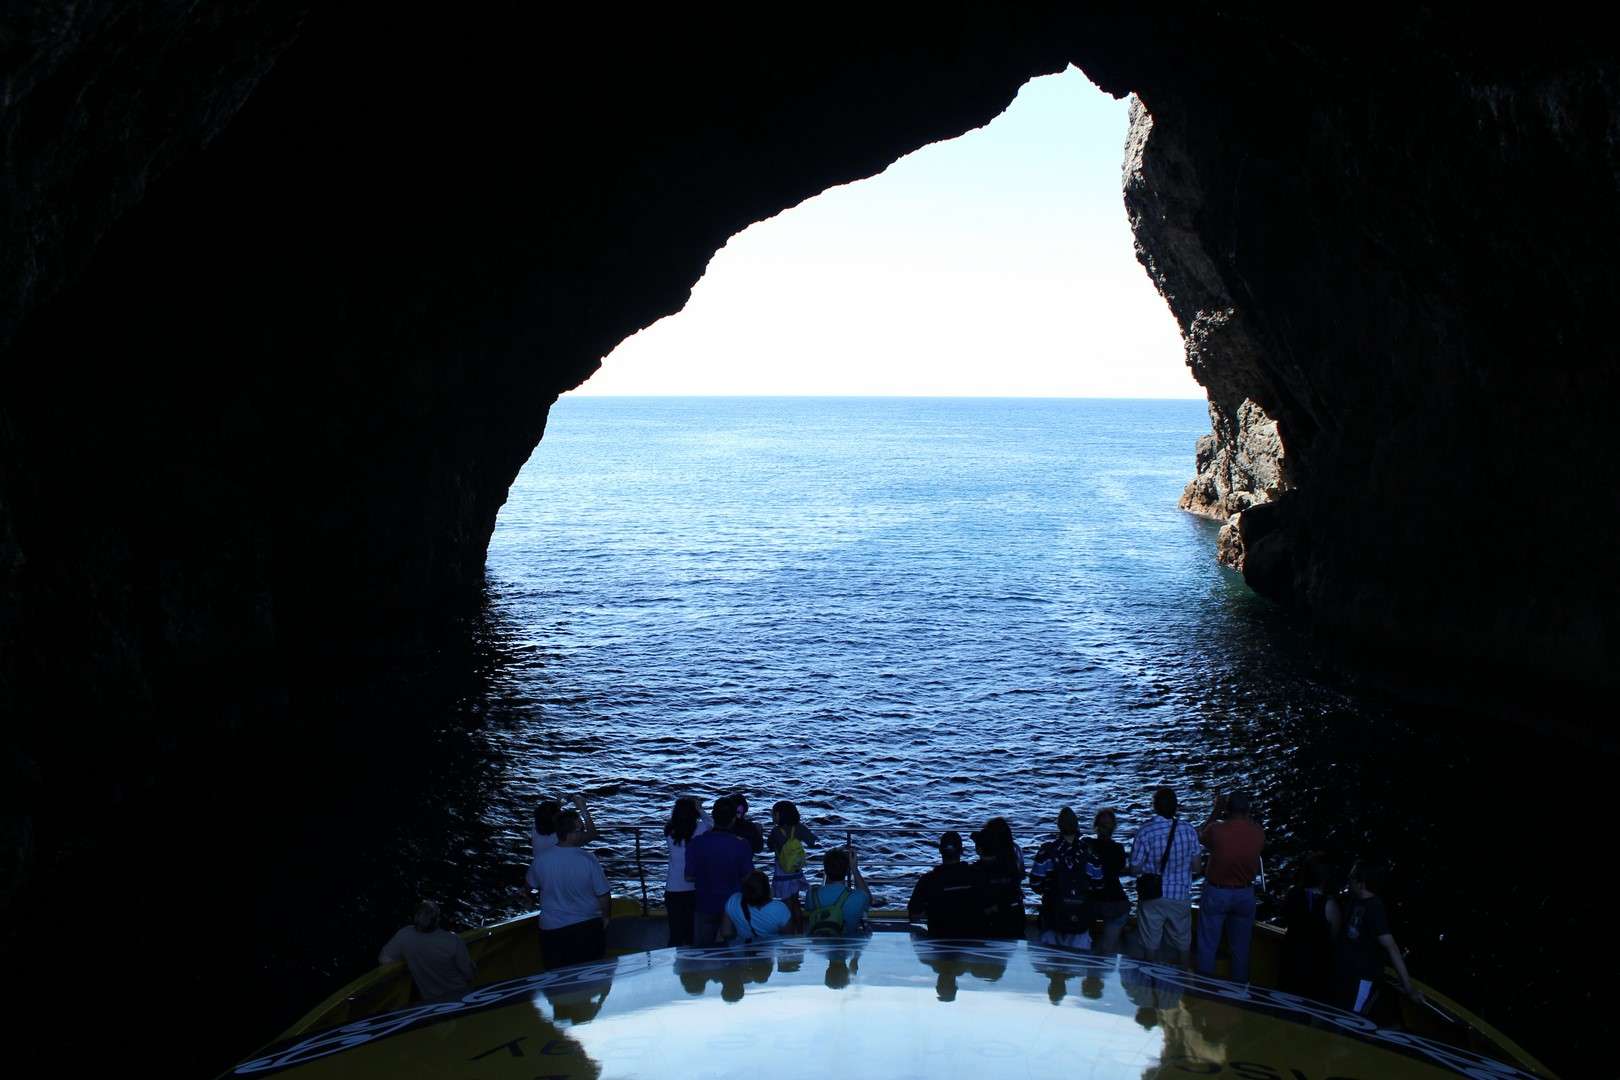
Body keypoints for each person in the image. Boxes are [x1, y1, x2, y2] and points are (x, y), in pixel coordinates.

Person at [1334, 860, 1422, 1014]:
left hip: (1361, 979)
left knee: (1348, 1020)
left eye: (1353, 876)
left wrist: (1408, 988)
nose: (1349, 878)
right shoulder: (1353, 901)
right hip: (1343, 974)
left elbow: (1391, 947)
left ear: (1361, 883)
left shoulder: (1374, 907)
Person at [1195, 790, 1265, 982]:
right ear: (1247, 809)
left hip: (1217, 892)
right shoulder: (1258, 833)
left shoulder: (1217, 831)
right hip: (1245, 894)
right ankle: (1239, 992)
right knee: (1241, 950)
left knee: (1208, 945)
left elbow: (1200, 836)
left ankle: (1204, 989)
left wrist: (1216, 810)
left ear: (1227, 809)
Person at [529, 809, 612, 969]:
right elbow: (603, 894)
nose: (582, 833)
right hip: (585, 927)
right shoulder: (588, 860)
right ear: (570, 834)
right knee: (590, 974)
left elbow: (530, 886)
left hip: (551, 930)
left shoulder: (541, 860)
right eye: (580, 830)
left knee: (556, 977)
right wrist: (606, 917)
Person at [1128, 786, 1200, 967]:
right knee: (1183, 944)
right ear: (1176, 807)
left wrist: (1150, 867)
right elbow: (1197, 867)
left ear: (1155, 807)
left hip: (1153, 896)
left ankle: (1152, 984)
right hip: (1180, 895)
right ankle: (1184, 983)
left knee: (1150, 944)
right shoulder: (1189, 830)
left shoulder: (1145, 831)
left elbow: (1135, 869)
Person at [684, 798, 756, 945]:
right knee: (732, 951)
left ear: (714, 816)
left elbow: (689, 876)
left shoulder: (696, 843)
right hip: (733, 907)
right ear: (733, 819)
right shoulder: (741, 845)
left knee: (703, 951)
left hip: (704, 904)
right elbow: (748, 876)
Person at [378, 899, 477, 1003]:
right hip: (461, 997)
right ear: (437, 920)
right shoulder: (454, 941)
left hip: (431, 1002)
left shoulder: (404, 936)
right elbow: (469, 975)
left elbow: (384, 959)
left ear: (416, 917)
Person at [1030, 806, 1096, 949]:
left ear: (1059, 826)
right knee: (1077, 963)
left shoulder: (1047, 850)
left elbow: (1035, 883)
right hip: (1080, 918)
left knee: (1051, 965)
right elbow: (1099, 883)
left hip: (1053, 916)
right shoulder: (1088, 852)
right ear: (1077, 826)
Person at [1279, 851, 1341, 1001]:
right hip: (1315, 966)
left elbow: (1286, 917)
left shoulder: (1292, 894)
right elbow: (1335, 936)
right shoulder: (1329, 905)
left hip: (1290, 957)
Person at [908, 830, 987, 938]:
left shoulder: (927, 880)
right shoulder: (977, 876)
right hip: (972, 941)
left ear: (940, 851)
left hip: (939, 940)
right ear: (962, 851)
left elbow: (914, 914)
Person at [526, 794, 600, 892]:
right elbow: (592, 834)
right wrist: (583, 809)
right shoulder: (564, 838)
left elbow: (547, 816)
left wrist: (558, 804)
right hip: (567, 881)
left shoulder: (536, 829)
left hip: (545, 880)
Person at [664, 796, 711, 946]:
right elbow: (712, 824)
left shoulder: (669, 830)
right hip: (693, 887)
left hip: (672, 888)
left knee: (675, 932)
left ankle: (671, 965)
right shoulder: (700, 829)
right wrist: (700, 809)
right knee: (691, 931)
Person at [972, 816, 1027, 940]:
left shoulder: (986, 864)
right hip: (1014, 907)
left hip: (994, 914)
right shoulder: (1015, 850)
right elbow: (1022, 874)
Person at [1086, 808, 1132, 954]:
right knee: (1117, 919)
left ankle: (1092, 950)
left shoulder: (1087, 844)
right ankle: (1106, 951)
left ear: (1096, 827)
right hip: (1114, 901)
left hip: (1091, 901)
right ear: (1114, 828)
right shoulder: (1118, 849)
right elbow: (1119, 868)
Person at [804, 847, 872, 935]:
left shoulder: (812, 895)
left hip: (820, 946)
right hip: (847, 946)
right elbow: (868, 899)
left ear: (825, 870)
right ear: (847, 870)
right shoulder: (859, 897)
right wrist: (854, 869)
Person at [766, 800, 818, 900]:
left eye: (774, 814)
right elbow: (812, 841)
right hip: (796, 868)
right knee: (795, 898)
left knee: (785, 899)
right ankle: (796, 913)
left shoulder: (775, 831)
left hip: (782, 870)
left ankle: (788, 915)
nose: (772, 817)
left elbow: (770, 846)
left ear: (780, 816)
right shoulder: (799, 828)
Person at [723, 870, 794, 943]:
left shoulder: (733, 900)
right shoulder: (780, 909)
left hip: (743, 949)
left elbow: (726, 933)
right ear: (767, 889)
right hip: (770, 951)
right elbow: (788, 938)